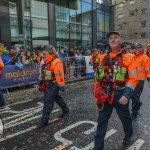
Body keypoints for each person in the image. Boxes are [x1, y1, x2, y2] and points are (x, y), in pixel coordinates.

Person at [93, 31, 138, 149]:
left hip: (120, 93)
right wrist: (97, 90)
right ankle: (98, 147)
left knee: (125, 118)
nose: (113, 40)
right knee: (101, 121)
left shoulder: (129, 57)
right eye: (111, 38)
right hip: (105, 93)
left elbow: (133, 78)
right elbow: (98, 76)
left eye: (116, 37)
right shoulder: (102, 57)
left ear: (120, 40)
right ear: (108, 42)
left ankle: (128, 136)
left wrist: (127, 94)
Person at [38, 44, 69, 128]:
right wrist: (41, 81)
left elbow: (60, 75)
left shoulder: (56, 61)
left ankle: (44, 121)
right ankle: (66, 109)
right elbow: (45, 71)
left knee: (48, 102)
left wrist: (61, 86)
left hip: (54, 84)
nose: (43, 54)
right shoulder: (47, 60)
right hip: (49, 83)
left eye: (44, 52)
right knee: (56, 97)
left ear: (48, 52)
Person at [130, 43, 150, 120]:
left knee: (134, 96)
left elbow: (148, 70)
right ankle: (138, 104)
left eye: (138, 48)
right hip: (132, 81)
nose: (137, 49)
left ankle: (134, 114)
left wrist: (149, 80)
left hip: (140, 81)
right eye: (135, 48)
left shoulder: (145, 58)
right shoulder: (133, 57)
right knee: (133, 96)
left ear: (141, 48)